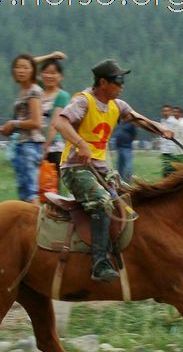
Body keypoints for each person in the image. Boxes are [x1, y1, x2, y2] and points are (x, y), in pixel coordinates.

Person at [54, 59, 173, 282]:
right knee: (103, 202)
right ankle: (99, 263)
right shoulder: (83, 102)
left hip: (101, 168)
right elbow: (60, 123)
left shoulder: (117, 106)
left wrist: (161, 129)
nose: (122, 85)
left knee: (132, 198)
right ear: (103, 82)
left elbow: (138, 119)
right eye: (118, 80)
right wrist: (80, 144)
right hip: (75, 168)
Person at [0, 54, 44, 206]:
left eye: (25, 67)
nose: (21, 70)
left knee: (31, 192)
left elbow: (36, 122)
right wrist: (9, 129)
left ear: (32, 70)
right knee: (24, 192)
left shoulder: (33, 91)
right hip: (22, 143)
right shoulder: (24, 91)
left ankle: (36, 226)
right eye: (18, 67)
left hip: (30, 145)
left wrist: (13, 124)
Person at [41, 58, 71, 186]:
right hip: (36, 144)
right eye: (46, 72)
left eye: (53, 73)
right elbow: (29, 64)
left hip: (53, 148)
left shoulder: (62, 95)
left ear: (61, 76)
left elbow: (55, 123)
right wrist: (51, 55)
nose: (49, 76)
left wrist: (44, 148)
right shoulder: (37, 93)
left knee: (50, 187)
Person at [159, 104, 183, 177]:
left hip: (173, 150)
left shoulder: (175, 122)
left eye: (167, 111)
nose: (165, 112)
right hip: (165, 150)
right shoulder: (162, 121)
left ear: (171, 112)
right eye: (163, 111)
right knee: (166, 170)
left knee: (171, 170)